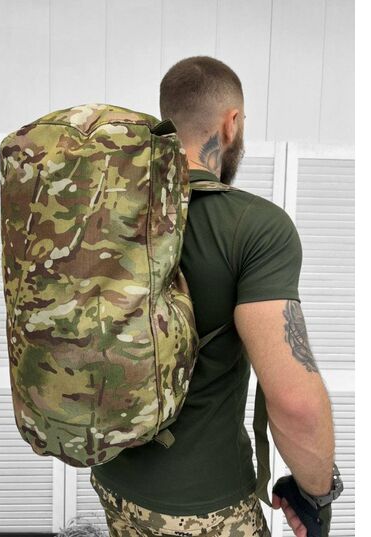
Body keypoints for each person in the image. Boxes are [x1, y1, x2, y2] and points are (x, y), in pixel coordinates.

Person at [90, 55, 336, 537]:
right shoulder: (256, 228)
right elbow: (296, 403)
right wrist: (317, 494)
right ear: (232, 122)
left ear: (167, 119)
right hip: (205, 505)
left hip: (113, 478)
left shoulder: (112, 215)